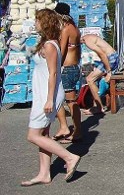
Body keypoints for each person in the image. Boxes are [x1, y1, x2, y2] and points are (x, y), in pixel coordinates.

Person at [21, 9, 81, 186]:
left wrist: (49, 99)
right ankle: (44, 173)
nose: (35, 23)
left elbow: (54, 73)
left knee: (33, 135)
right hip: (44, 92)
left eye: (37, 20)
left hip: (48, 94)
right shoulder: (47, 43)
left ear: (45, 22)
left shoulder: (50, 45)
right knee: (44, 133)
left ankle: (69, 157)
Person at [52, 3, 83, 144]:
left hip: (67, 68)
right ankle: (70, 128)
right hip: (75, 66)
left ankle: (72, 129)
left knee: (67, 101)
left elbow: (62, 51)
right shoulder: (75, 28)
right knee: (69, 101)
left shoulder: (65, 29)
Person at [82, 33, 120, 114]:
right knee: (92, 78)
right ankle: (97, 105)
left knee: (89, 79)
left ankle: (99, 107)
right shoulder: (88, 37)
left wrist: (109, 71)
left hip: (110, 58)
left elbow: (102, 54)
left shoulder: (87, 41)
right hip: (112, 56)